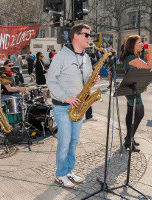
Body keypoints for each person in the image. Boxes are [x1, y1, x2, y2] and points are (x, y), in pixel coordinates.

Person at [47, 23, 99, 188]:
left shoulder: (86, 57)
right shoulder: (61, 56)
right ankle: (60, 174)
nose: (89, 38)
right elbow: (51, 80)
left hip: (79, 105)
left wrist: (93, 81)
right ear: (76, 35)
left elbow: (85, 80)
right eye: (86, 35)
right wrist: (66, 97)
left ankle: (69, 171)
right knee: (65, 140)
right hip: (63, 105)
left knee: (74, 140)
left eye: (89, 35)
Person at [121, 35, 152, 153]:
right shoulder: (131, 57)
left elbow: (140, 72)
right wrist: (150, 53)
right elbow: (148, 67)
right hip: (131, 89)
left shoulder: (133, 57)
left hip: (133, 87)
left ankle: (129, 138)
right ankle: (129, 139)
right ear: (133, 45)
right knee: (139, 114)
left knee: (130, 113)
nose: (142, 44)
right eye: (140, 42)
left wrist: (141, 84)